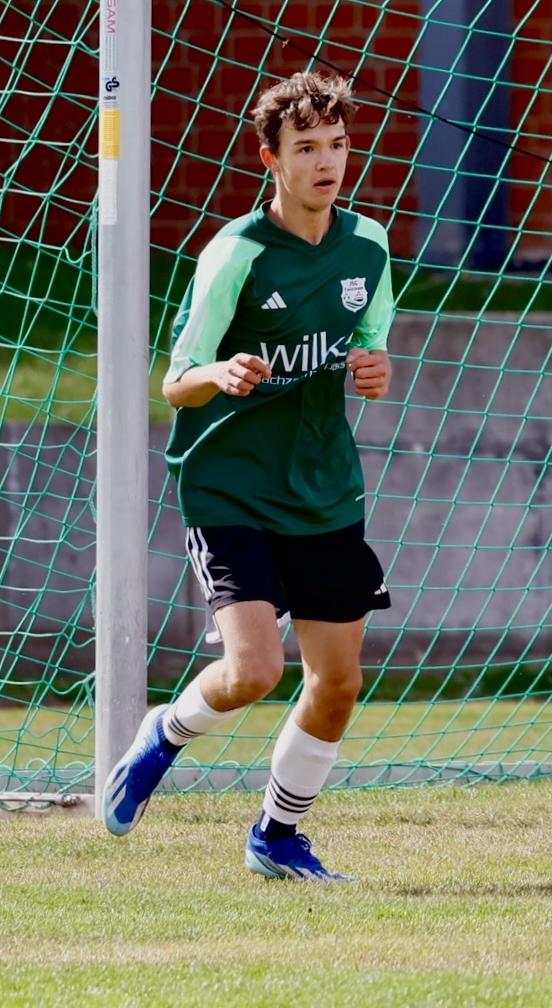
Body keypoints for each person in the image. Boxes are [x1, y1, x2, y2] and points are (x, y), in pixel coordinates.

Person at [101, 70, 396, 882]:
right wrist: (221, 372)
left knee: (338, 681)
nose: (326, 162)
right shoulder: (235, 252)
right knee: (256, 670)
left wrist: (375, 370)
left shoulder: (368, 245)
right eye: (306, 148)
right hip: (231, 486)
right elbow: (176, 381)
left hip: (324, 485)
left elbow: (370, 346)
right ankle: (164, 733)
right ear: (271, 158)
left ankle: (277, 834)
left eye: (336, 145)